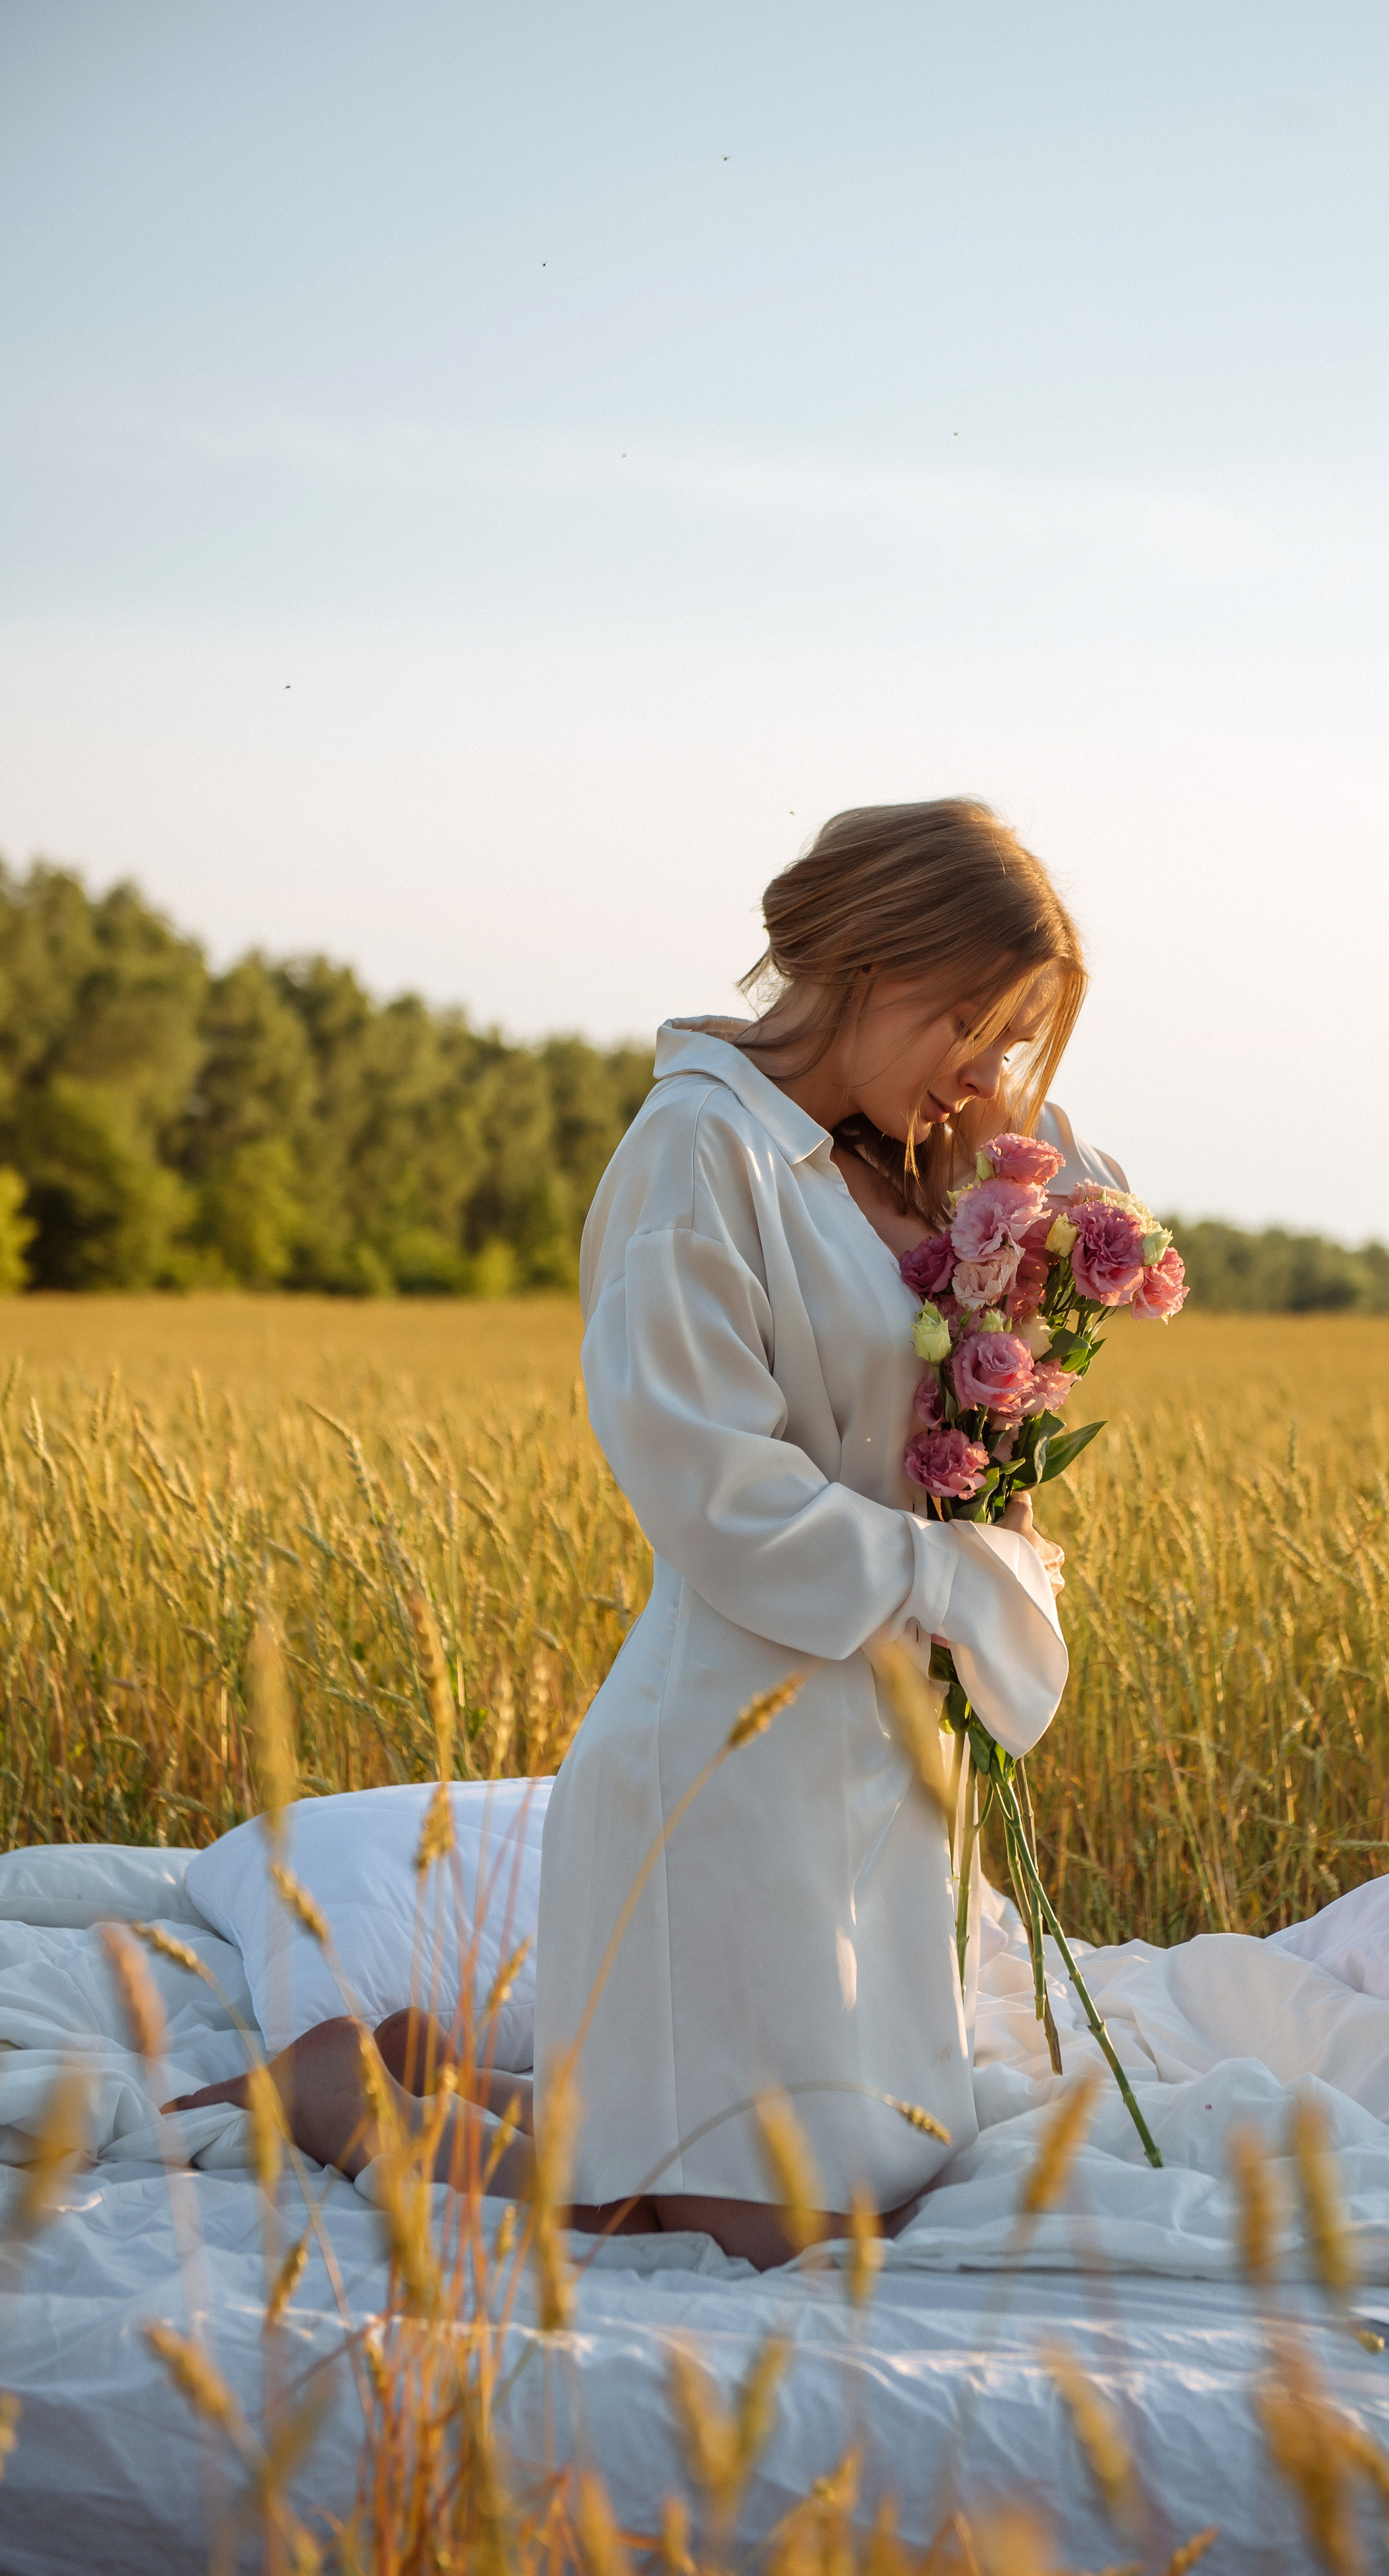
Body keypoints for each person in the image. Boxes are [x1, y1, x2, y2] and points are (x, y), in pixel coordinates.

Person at [171, 799, 1122, 2268]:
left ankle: (464, 2070)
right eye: (969, 1026)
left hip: (875, 1753)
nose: (984, 1074)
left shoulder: (884, 1159)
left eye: (1011, 1044)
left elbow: (1092, 1231)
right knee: (741, 2221)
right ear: (870, 967)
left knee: (866, 2169)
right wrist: (953, 1579)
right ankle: (343, 2093)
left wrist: (1005, 1145)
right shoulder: (700, 1154)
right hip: (724, 1763)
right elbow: (714, 1498)